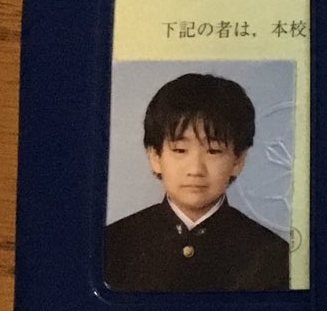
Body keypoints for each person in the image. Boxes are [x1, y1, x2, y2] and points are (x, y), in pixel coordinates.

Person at [104, 72, 292, 291]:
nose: (195, 170)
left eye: (213, 151)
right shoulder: (113, 243)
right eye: (180, 150)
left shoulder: (272, 254)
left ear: (238, 160)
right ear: (155, 157)